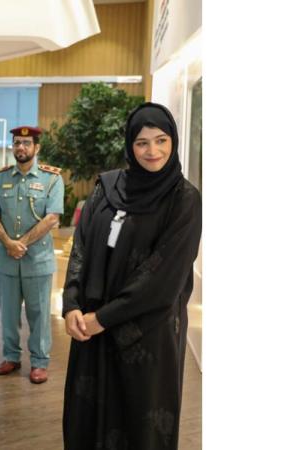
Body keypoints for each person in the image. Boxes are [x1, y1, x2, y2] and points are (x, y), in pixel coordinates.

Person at [61, 102, 202, 450]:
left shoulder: (184, 199)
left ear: (173, 141)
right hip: (90, 328)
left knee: (139, 426)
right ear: (130, 145)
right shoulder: (107, 187)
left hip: (146, 335)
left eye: (161, 140)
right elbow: (81, 245)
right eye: (142, 142)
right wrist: (72, 304)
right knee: (88, 420)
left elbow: (163, 277)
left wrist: (103, 319)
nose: (152, 151)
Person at [0, 126, 64, 383]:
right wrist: (8, 243)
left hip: (37, 259)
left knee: (39, 314)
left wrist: (21, 243)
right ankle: (11, 356)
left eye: (26, 143)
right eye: (17, 142)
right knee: (8, 314)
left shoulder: (52, 179)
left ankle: (40, 362)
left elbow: (52, 218)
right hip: (5, 258)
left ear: (37, 147)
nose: (21, 147)